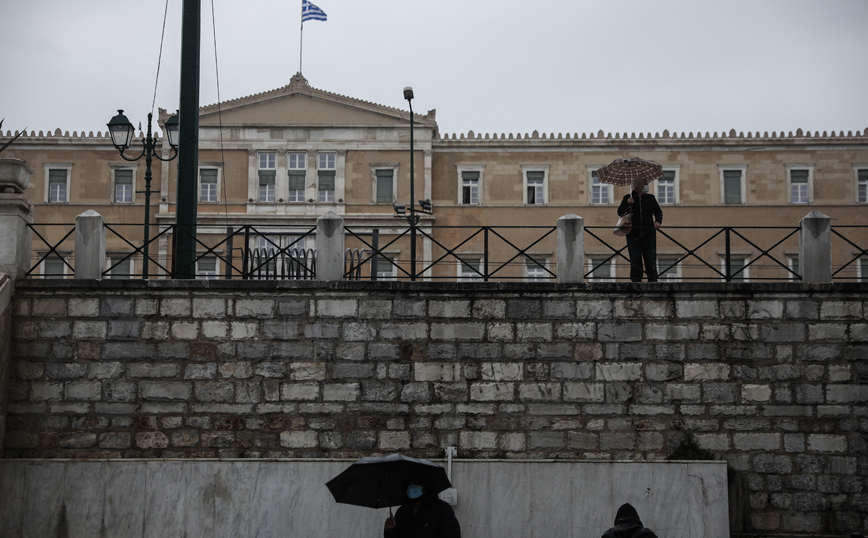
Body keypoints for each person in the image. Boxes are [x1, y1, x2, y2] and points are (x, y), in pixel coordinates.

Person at [617, 178, 663, 282]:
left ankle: (652, 280)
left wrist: (658, 221)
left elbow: (658, 211)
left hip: (648, 233)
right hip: (633, 233)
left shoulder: (650, 198)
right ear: (639, 186)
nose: (647, 186)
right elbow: (620, 212)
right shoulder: (628, 197)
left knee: (650, 258)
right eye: (645, 184)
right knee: (635, 258)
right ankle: (636, 281)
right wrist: (629, 204)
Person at [384, 478, 461, 538]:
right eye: (409, 484)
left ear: (425, 488)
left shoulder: (442, 509)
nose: (411, 488)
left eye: (415, 484)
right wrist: (391, 530)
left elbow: (452, 534)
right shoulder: (402, 512)